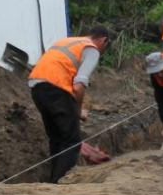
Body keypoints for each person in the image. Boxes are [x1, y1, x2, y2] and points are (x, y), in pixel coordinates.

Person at [27, 25, 111, 183]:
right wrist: (78, 111)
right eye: (104, 47)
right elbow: (79, 86)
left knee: (57, 138)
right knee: (72, 141)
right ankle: (61, 184)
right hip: (56, 88)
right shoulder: (91, 49)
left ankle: (54, 181)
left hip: (36, 87)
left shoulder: (68, 41)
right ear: (103, 40)